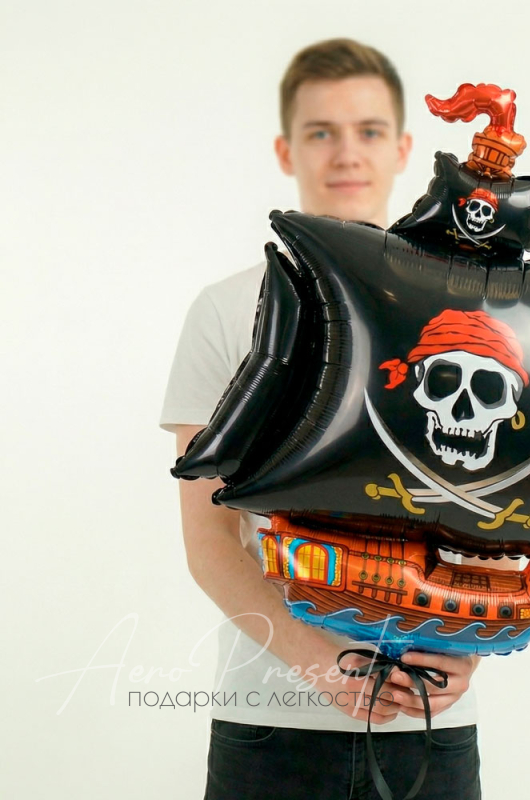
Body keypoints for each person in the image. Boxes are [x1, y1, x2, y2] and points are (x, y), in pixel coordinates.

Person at [160, 39, 487, 799]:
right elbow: (209, 539)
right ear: (286, 149)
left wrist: (469, 646)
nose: (347, 153)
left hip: (430, 726)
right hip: (270, 723)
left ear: (402, 148)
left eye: (369, 130)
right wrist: (320, 665)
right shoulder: (226, 310)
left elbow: (500, 516)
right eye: (321, 131)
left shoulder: (468, 313)